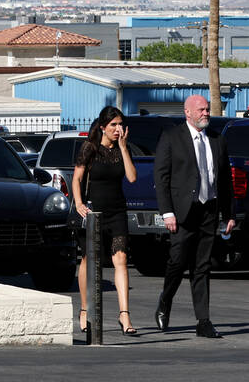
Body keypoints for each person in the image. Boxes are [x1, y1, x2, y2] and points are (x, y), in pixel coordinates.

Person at [153, 94, 234, 339]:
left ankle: (203, 321)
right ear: (187, 112)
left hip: (208, 210)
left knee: (202, 266)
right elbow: (161, 177)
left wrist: (228, 214)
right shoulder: (172, 137)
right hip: (182, 212)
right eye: (201, 110)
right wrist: (167, 212)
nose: (205, 113)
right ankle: (165, 301)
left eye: (207, 110)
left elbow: (225, 181)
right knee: (177, 262)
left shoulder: (217, 140)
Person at [72, 106, 138, 336]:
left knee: (121, 258)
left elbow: (131, 177)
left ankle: (124, 314)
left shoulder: (123, 148)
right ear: (103, 127)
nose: (118, 129)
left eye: (120, 124)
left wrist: (123, 148)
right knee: (89, 260)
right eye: (113, 125)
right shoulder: (90, 148)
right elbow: (77, 177)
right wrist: (79, 203)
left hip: (117, 211)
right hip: (94, 212)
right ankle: (83, 309)